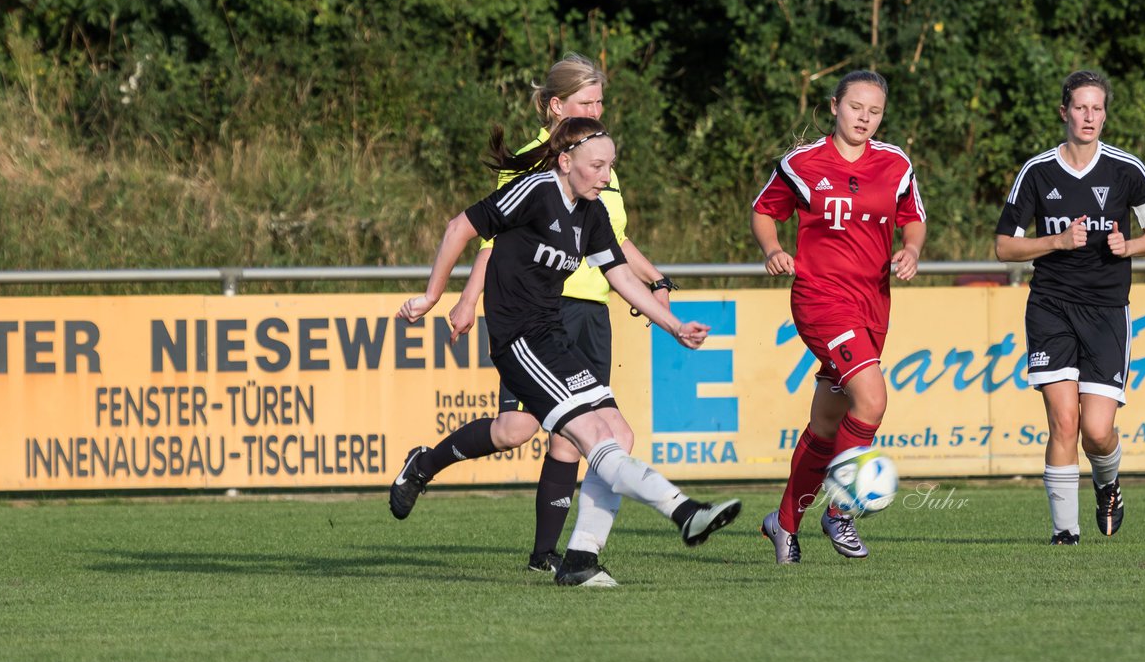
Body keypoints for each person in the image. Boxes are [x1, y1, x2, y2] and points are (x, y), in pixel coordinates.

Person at [394, 116, 741, 586]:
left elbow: (619, 276)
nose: (605, 175)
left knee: (618, 432)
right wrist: (434, 295)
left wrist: (674, 325)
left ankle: (579, 558)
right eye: (597, 165)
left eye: (611, 166)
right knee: (588, 436)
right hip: (518, 339)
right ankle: (683, 512)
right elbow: (462, 228)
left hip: (552, 335)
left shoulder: (592, 212)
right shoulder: (536, 190)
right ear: (565, 160)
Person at [750, 69, 926, 564]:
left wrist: (910, 251)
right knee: (871, 399)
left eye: (874, 112)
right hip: (820, 299)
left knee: (827, 426)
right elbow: (765, 210)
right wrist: (773, 248)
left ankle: (783, 523)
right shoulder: (803, 164)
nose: (864, 118)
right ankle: (839, 511)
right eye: (856, 108)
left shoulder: (894, 163)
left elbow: (913, 219)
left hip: (872, 302)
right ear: (834, 106)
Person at [994, 70, 1145, 545]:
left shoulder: (1127, 169)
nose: (1089, 117)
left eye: (1097, 109)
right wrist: (1056, 241)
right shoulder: (1037, 171)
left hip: (1108, 310)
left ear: (1105, 114)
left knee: (1096, 430)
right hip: (1050, 307)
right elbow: (1004, 248)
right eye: (1080, 108)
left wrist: (1126, 247)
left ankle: (1107, 482)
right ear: (1064, 112)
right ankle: (1064, 534)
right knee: (1063, 421)